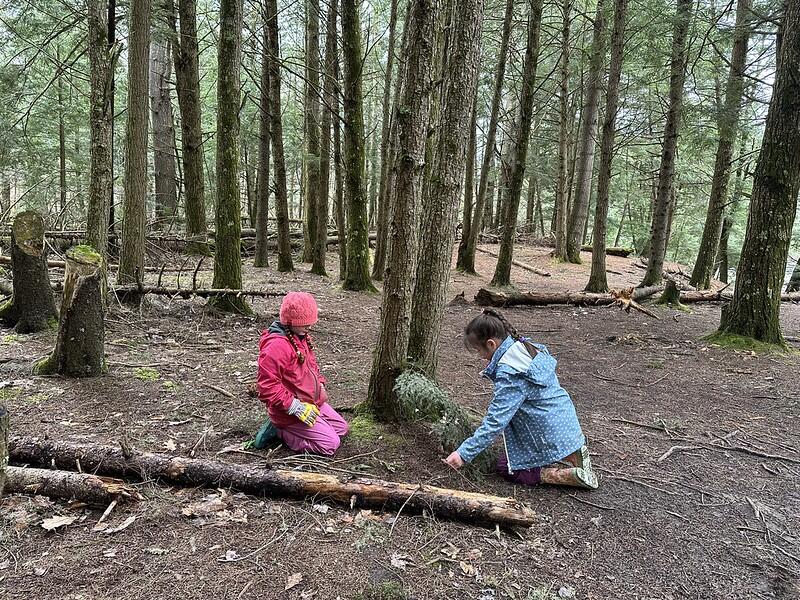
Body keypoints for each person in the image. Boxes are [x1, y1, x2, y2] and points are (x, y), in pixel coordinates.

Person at [444, 309, 598, 489]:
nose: (480, 356)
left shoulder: (510, 373)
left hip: (545, 430)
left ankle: (562, 475)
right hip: (565, 421)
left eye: (479, 350)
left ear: (492, 344)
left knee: (506, 467)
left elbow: (496, 420)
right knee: (519, 453)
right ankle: (575, 453)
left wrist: (463, 454)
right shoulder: (524, 346)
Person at [253, 292, 349, 455]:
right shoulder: (276, 346)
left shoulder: (300, 336)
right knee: (330, 444)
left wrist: (319, 383)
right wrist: (294, 406)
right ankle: (281, 432)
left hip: (311, 402)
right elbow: (266, 387)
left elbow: (311, 367)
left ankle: (310, 426)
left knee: (342, 429)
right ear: (290, 321)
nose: (309, 326)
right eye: (304, 323)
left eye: (311, 322)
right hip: (291, 410)